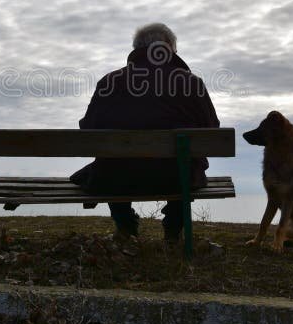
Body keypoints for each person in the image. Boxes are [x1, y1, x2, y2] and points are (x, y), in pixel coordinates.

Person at [70, 23, 220, 242]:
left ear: (137, 49)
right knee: (184, 163)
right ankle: (172, 231)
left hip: (117, 179)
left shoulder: (110, 82)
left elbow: (89, 129)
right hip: (177, 179)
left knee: (112, 162)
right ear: (169, 49)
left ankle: (126, 227)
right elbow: (211, 130)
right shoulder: (191, 83)